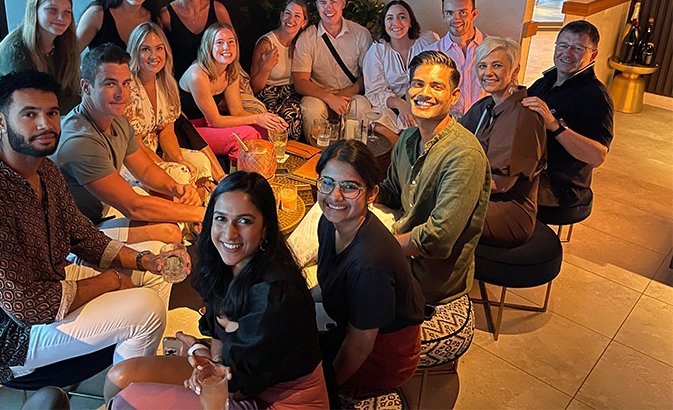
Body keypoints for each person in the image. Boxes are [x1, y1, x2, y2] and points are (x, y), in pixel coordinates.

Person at [0, 70, 178, 385]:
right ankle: (127, 398)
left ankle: (136, 371)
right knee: (146, 309)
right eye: (29, 114)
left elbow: (82, 235)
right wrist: (111, 282)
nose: (45, 124)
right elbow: (28, 306)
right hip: (7, 337)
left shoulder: (44, 170)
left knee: (157, 259)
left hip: (50, 282)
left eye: (51, 113)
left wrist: (144, 261)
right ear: (0, 121)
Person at [104, 171, 330, 409]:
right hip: (233, 369)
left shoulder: (276, 295)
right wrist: (207, 354)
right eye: (221, 218)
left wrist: (203, 358)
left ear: (265, 228)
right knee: (119, 377)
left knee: (127, 402)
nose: (229, 233)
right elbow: (220, 341)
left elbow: (237, 383)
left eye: (244, 221)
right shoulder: (223, 263)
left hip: (273, 398)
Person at [52, 44, 204, 244]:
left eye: (125, 83)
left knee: (170, 195)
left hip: (103, 211)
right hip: (73, 232)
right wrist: (203, 213)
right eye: (109, 84)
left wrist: (176, 188)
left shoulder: (116, 117)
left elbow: (146, 171)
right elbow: (133, 206)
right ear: (86, 87)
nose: (121, 93)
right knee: (169, 233)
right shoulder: (80, 141)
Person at [377, 50, 490, 307]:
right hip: (401, 243)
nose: (424, 93)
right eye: (418, 84)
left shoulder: (463, 154)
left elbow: (438, 239)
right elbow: (393, 191)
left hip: (429, 277)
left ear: (454, 95)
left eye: (436, 86)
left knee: (330, 286)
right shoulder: (408, 138)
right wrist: (361, 189)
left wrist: (379, 246)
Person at [313, 140, 424, 402]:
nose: (334, 196)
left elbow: (360, 345)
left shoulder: (369, 262)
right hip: (351, 329)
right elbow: (331, 281)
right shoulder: (330, 223)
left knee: (293, 379)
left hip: (383, 356)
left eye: (350, 187)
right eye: (326, 182)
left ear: (372, 193)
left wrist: (326, 391)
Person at [460, 37, 547, 247]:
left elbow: (501, 184)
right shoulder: (487, 105)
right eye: (482, 66)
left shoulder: (522, 115)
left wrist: (448, 185)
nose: (487, 73)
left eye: (497, 65)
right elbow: (456, 137)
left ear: (515, 71)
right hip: (483, 195)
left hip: (509, 210)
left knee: (437, 212)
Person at [523, 20, 613, 212]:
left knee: (491, 192)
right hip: (530, 167)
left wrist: (555, 125)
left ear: (593, 54)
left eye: (578, 48)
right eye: (563, 45)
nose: (567, 53)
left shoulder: (595, 96)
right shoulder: (544, 83)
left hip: (559, 186)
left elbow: (597, 157)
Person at [125, 22, 226, 183]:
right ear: (135, 52)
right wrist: (166, 167)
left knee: (200, 161)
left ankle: (208, 198)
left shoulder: (165, 84)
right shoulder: (127, 88)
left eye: (159, 48)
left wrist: (179, 160)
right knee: (180, 174)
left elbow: (167, 132)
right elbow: (136, 145)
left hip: (157, 151)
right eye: (145, 49)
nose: (154, 55)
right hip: (135, 161)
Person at [179, 23, 287, 161]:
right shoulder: (197, 74)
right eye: (219, 42)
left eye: (231, 42)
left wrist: (268, 119)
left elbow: (237, 112)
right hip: (188, 130)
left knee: (263, 129)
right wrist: (256, 118)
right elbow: (215, 120)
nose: (226, 47)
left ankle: (262, 171)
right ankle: (239, 176)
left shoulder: (230, 71)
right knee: (246, 134)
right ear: (208, 46)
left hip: (208, 125)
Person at [292, 0, 373, 145]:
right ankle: (319, 158)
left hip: (350, 94)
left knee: (362, 107)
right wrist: (329, 98)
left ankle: (351, 157)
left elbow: (366, 78)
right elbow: (300, 82)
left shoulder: (361, 34)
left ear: (343, 3)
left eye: (333, 2)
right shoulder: (307, 37)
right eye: (323, 3)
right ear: (317, 5)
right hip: (318, 95)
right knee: (312, 109)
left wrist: (340, 98)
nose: (328, 8)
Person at [0, 0, 81, 115]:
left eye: (67, 12)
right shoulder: (16, 52)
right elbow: (33, 106)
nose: (61, 18)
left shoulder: (65, 47)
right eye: (52, 9)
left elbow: (72, 92)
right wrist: (81, 101)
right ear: (34, 11)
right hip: (14, 123)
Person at [362, 0, 439, 144]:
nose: (396, 23)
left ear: (410, 22)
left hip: (421, 102)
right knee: (378, 124)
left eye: (402, 17)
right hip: (391, 105)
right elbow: (374, 91)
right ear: (384, 25)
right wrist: (399, 103)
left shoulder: (428, 42)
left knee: (414, 129)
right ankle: (398, 157)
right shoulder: (378, 50)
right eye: (390, 18)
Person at [160, 0, 233, 79]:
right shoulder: (165, 15)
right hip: (181, 82)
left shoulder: (218, 9)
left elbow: (232, 45)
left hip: (216, 78)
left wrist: (234, 75)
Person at [249, 0, 310, 141]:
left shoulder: (304, 43)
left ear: (304, 23)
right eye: (288, 13)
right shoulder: (266, 43)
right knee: (275, 123)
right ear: (281, 15)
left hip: (291, 93)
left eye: (297, 16)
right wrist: (266, 67)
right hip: (268, 93)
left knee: (292, 116)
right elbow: (254, 87)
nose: (291, 19)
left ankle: (293, 156)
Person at [425, 0, 487, 118]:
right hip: (447, 127)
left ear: (474, 14)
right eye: (449, 13)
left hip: (486, 127)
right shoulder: (432, 55)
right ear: (443, 16)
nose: (456, 19)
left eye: (463, 12)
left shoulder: (493, 49)